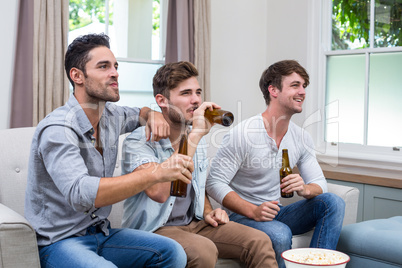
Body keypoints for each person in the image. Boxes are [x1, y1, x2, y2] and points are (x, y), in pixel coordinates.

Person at [24, 33, 189, 268]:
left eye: (115, 66)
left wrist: (151, 114)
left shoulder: (112, 116)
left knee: (172, 252)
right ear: (77, 76)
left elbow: (139, 113)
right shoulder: (58, 128)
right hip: (59, 242)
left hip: (102, 234)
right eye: (103, 67)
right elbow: (81, 194)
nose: (115, 73)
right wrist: (156, 173)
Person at [121, 61, 278, 268]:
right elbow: (158, 193)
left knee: (259, 240)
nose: (195, 100)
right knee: (203, 250)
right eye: (186, 93)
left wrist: (207, 211)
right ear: (162, 100)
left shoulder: (197, 138)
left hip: (195, 224)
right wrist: (195, 135)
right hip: (155, 230)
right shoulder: (139, 141)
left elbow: (198, 185)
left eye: (198, 92)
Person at [206, 60, 346, 268]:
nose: (302, 92)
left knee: (333, 202)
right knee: (280, 233)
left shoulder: (301, 137)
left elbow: (319, 183)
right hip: (242, 216)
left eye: (304, 86)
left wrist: (306, 189)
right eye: (295, 85)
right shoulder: (244, 134)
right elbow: (214, 182)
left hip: (275, 211)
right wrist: (253, 211)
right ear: (273, 90)